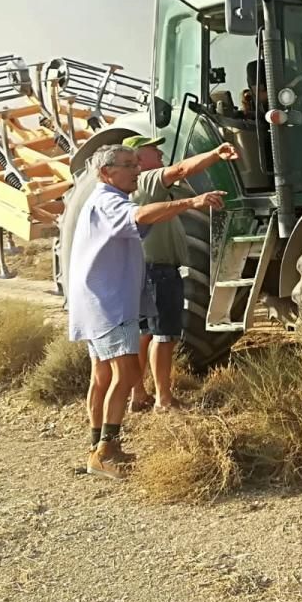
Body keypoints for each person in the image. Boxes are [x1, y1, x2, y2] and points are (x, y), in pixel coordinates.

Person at [68, 144, 225, 479]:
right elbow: (139, 216)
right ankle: (106, 453)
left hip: (97, 301)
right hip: (109, 303)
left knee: (103, 377)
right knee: (125, 375)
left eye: (137, 163)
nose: (136, 170)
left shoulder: (105, 199)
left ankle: (96, 447)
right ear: (106, 172)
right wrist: (192, 202)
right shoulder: (109, 201)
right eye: (128, 165)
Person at [124, 135, 239, 412]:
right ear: (139, 157)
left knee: (144, 333)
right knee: (164, 335)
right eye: (154, 149)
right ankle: (164, 399)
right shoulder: (149, 178)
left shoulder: (136, 186)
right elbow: (181, 170)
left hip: (143, 269)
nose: (161, 152)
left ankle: (138, 394)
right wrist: (215, 153)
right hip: (159, 271)